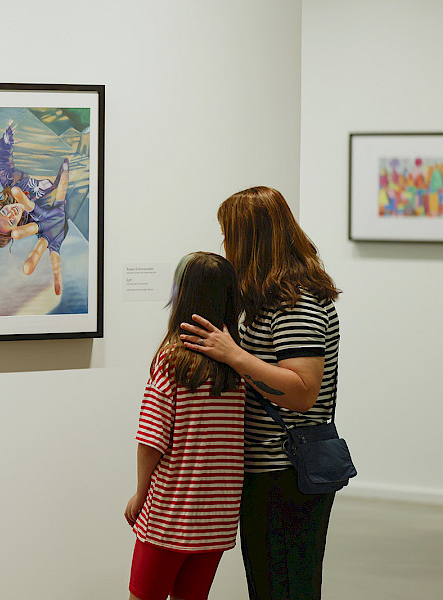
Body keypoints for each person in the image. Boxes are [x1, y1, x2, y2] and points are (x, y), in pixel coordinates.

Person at [180, 186, 341, 600]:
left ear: (250, 239)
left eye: (229, 235)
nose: (225, 245)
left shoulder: (297, 303)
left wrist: (234, 355)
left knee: (284, 586)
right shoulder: (272, 299)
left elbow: (302, 391)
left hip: (283, 474)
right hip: (269, 471)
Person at [124, 252, 246, 600]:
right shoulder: (237, 365)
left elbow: (151, 441)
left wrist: (140, 492)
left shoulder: (172, 360)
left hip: (170, 511)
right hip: (217, 515)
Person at [0, 121, 69, 295]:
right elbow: (55, 219)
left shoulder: (10, 185)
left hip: (43, 147)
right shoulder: (37, 219)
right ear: (16, 226)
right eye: (11, 221)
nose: (11, 212)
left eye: (4, 212)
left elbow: (2, 164)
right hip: (61, 169)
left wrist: (6, 142)